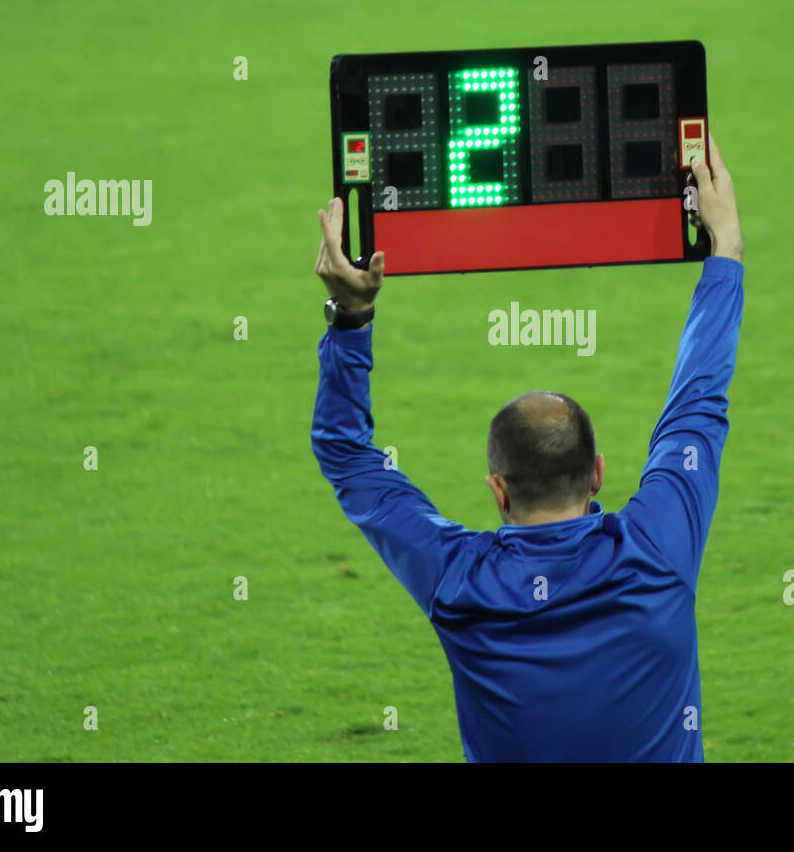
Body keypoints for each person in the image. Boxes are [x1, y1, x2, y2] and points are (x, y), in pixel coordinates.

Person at [311, 135, 744, 761]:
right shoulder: (660, 545)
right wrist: (724, 250)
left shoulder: (458, 581)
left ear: (498, 488)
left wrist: (351, 317)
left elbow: (347, 454)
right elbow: (697, 402)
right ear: (597, 474)